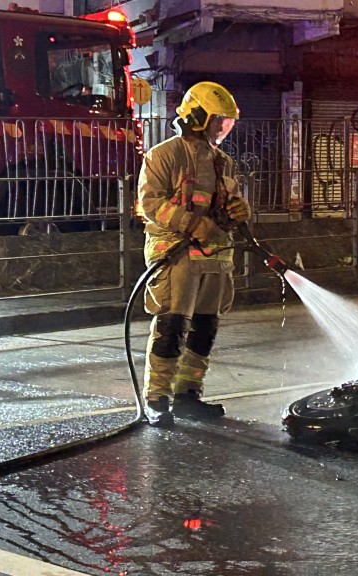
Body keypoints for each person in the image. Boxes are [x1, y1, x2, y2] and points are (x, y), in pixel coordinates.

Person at [136, 81, 252, 427]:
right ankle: (157, 398)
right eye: (218, 121)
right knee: (171, 325)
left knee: (205, 327)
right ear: (198, 116)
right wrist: (191, 224)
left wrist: (238, 211)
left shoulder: (223, 162)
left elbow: (225, 204)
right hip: (175, 254)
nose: (222, 129)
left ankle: (189, 394)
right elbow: (151, 203)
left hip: (215, 255)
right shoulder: (163, 155)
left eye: (227, 123)